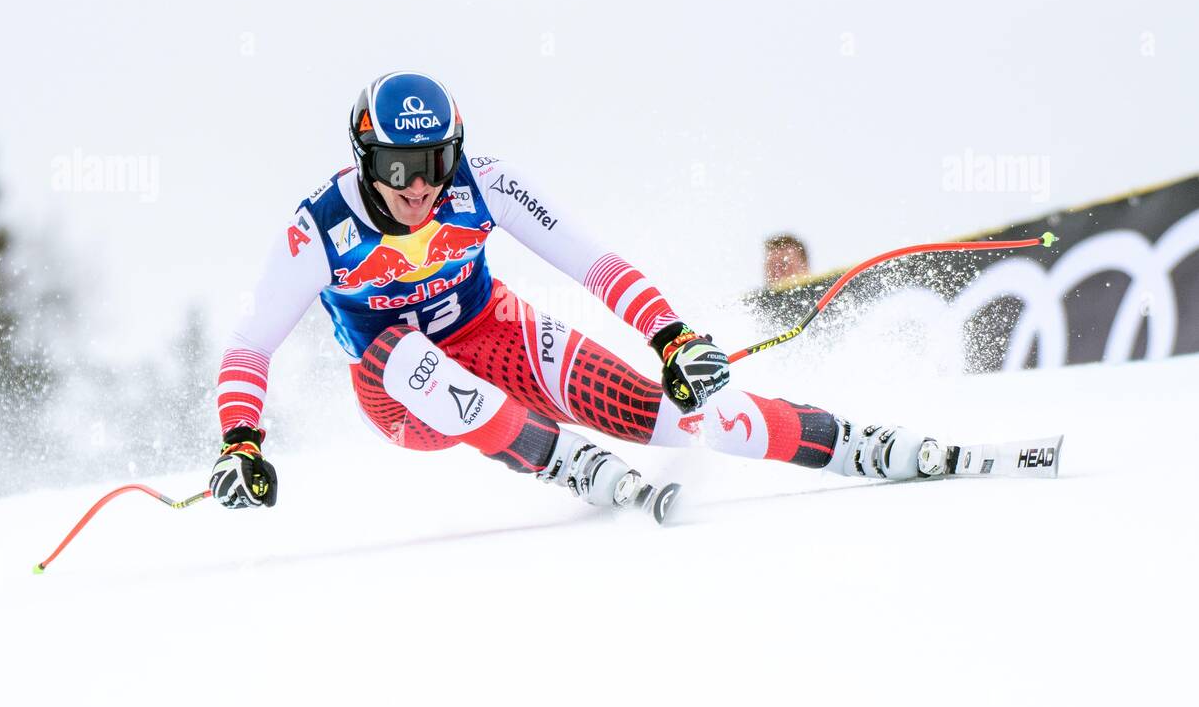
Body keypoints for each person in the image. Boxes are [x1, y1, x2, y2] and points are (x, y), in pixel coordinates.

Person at [209, 72, 946, 516]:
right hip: (399, 397)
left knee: (675, 414)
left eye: (434, 160)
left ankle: (853, 444)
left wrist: (673, 338)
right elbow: (249, 345)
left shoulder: (484, 183)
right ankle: (563, 459)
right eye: (399, 168)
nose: (421, 186)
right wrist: (241, 442)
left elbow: (593, 263)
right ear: (366, 160)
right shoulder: (320, 228)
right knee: (402, 353)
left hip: (492, 335)